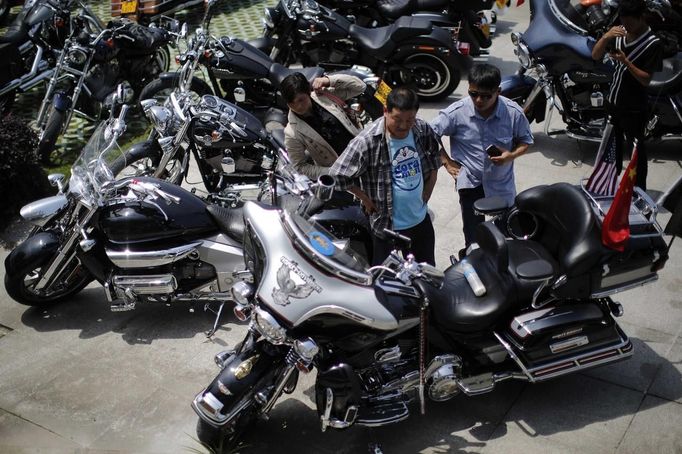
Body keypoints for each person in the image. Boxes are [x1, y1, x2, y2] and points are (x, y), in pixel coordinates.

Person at [329, 87, 443, 266]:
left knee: (426, 275)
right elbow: (337, 175)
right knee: (383, 280)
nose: (404, 126)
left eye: (409, 119)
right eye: (397, 119)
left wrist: (430, 184)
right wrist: (364, 199)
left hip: (420, 221)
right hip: (386, 227)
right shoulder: (366, 141)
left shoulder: (421, 128)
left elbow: (435, 154)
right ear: (385, 111)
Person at [430, 63, 533, 252]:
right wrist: (446, 161)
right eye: (473, 94)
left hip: (501, 185)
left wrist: (511, 156)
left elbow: (526, 140)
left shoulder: (513, 113)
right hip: (470, 183)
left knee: (506, 234)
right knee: (473, 237)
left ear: (498, 91)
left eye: (486, 96)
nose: (478, 100)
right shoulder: (456, 112)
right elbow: (428, 133)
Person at [592, 0, 663, 192]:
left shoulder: (653, 44)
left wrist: (626, 62)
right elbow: (596, 55)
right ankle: (608, 186)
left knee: (636, 155)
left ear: (641, 18)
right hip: (614, 104)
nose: (627, 27)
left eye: (630, 23)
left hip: (634, 109)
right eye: (624, 22)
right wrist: (606, 37)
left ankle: (638, 192)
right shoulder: (619, 33)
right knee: (610, 151)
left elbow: (645, 79)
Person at [281, 72, 366, 180]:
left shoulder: (324, 96)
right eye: (292, 103)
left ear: (308, 92)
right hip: (346, 176)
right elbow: (299, 166)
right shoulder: (292, 132)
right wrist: (332, 172)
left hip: (364, 153)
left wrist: (329, 80)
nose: (298, 106)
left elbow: (360, 87)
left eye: (301, 100)